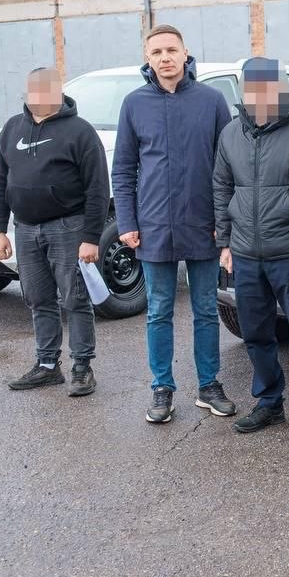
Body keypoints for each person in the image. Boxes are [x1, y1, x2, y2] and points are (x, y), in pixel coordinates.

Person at [112, 24, 234, 424]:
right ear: (147, 58)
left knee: (205, 309)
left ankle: (209, 385)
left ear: (185, 54)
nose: (165, 58)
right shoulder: (134, 104)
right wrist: (127, 221)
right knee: (159, 310)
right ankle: (162, 387)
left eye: (171, 50)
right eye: (157, 52)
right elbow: (123, 169)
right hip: (153, 226)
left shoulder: (211, 101)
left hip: (203, 224)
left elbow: (227, 166)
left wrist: (223, 221)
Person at [214, 57, 289, 440]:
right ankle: (269, 403)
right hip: (246, 254)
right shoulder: (230, 133)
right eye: (253, 87)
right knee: (256, 334)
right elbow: (221, 187)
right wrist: (224, 242)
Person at [0, 67, 108, 397]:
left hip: (68, 228)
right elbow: (0, 180)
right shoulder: (12, 128)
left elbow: (98, 188)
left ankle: (82, 367)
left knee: (75, 299)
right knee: (38, 299)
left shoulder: (80, 132)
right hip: (25, 230)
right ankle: (46, 366)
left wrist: (91, 237)